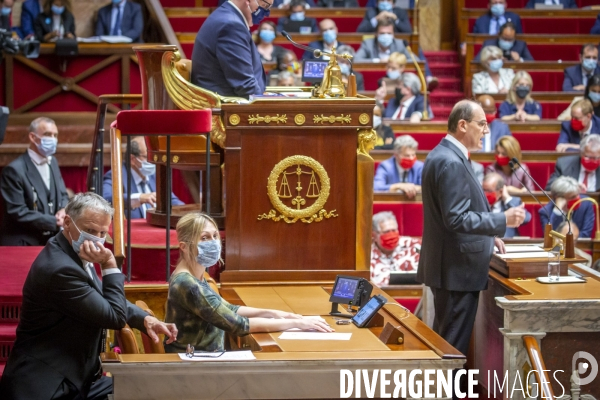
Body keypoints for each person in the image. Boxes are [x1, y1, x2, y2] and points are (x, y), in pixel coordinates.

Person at [0, 192, 178, 399]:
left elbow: (99, 296)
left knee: (143, 389)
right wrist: (110, 265)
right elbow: (115, 317)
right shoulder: (59, 269)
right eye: (90, 230)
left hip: (77, 377)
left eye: (103, 233)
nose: (97, 239)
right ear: (67, 222)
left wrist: (144, 318)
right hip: (46, 386)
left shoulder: (72, 252)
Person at [417, 99, 525, 359]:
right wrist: (502, 220)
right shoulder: (452, 162)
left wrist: (489, 234)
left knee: (446, 343)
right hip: (456, 269)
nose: (486, 131)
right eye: (482, 124)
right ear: (463, 125)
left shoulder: (445, 154)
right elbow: (456, 219)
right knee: (451, 350)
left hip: (452, 267)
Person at [164, 212, 333, 353]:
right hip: (195, 364)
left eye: (215, 235)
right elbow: (237, 324)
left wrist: (274, 313)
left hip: (205, 358)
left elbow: (228, 309)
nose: (213, 242)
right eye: (205, 238)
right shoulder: (187, 284)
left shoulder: (196, 275)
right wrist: (297, 323)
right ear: (184, 246)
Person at [0, 117, 68, 246]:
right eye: (48, 134)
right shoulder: (14, 170)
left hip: (50, 239)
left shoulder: (52, 162)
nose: (53, 139)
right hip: (24, 241)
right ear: (32, 137)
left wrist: (64, 210)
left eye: (55, 135)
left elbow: (63, 194)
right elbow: (17, 212)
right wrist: (55, 222)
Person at [191, 0, 266, 98]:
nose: (263, 11)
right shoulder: (232, 25)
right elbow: (245, 85)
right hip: (225, 107)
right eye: (262, 5)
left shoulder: (226, 15)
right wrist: (266, 105)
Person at [102, 136, 184, 219]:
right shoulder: (116, 176)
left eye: (155, 157)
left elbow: (172, 200)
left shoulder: (156, 175)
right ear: (132, 159)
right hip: (134, 230)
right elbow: (105, 200)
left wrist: (188, 211)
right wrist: (139, 198)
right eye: (148, 157)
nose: (153, 161)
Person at [370, 211, 421, 287]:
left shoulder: (415, 246)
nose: (391, 234)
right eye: (386, 232)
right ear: (374, 235)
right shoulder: (366, 256)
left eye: (394, 230)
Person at [482, 172, 531, 238]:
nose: (485, 194)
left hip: (507, 244)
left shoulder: (512, 202)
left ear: (500, 192)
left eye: (489, 191)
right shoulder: (478, 204)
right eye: (483, 190)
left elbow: (526, 218)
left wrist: (507, 199)